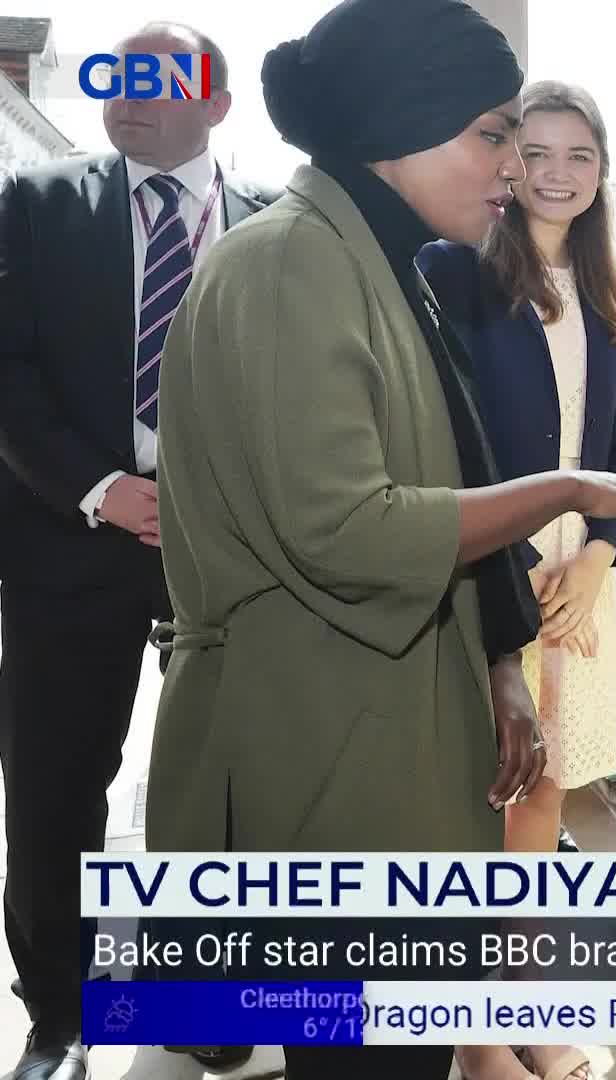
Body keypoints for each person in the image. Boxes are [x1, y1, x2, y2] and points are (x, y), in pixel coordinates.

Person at [146, 2, 616, 1076]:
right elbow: (345, 528)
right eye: (491, 133)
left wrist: (497, 670)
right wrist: (569, 489)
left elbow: (438, 480)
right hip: (327, 750)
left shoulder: (376, 262)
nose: (511, 165)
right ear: (403, 126)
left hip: (386, 733)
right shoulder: (291, 264)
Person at [0, 21, 279, 1080]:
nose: (129, 95)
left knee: (229, 783)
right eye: (118, 75)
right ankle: (62, 1018)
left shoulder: (274, 225)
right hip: (68, 538)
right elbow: (8, 369)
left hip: (238, 555)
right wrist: (100, 488)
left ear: (216, 100)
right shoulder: (37, 203)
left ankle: (200, 997)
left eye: (161, 78)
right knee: (57, 784)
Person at [416, 79, 616, 1080]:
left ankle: (531, 1015)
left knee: (546, 801)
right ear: (507, 162)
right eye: (536, 152)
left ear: (601, 174)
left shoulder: (603, 289)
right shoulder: (453, 273)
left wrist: (600, 555)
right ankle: (474, 1041)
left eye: (579, 157)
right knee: (480, 801)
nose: (557, 174)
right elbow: (443, 443)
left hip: (576, 581)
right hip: (482, 578)